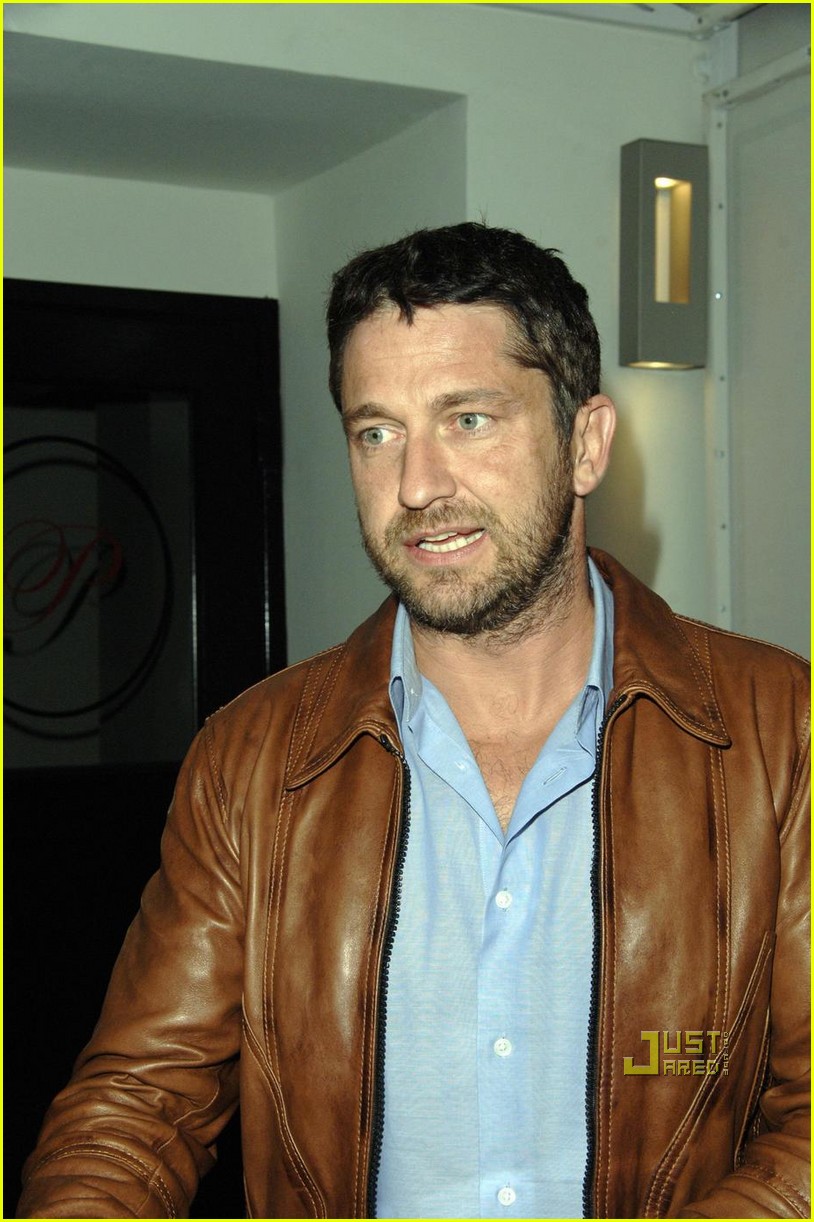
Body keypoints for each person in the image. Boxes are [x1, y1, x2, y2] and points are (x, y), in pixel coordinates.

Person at [19, 223, 809, 1220]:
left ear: (586, 443)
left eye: (468, 419)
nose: (416, 486)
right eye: (377, 432)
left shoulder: (780, 732)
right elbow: (138, 1104)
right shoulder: (249, 760)